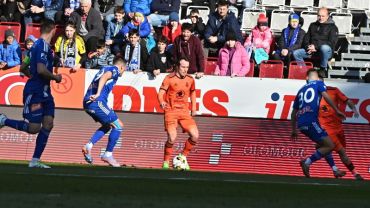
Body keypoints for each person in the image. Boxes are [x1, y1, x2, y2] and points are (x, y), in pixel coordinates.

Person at [0, 20, 62, 168]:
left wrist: (33, 76)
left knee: (48, 124)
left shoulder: (38, 47)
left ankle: (35, 160)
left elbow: (23, 66)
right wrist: (55, 77)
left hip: (45, 92)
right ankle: (3, 120)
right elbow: (40, 69)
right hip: (35, 92)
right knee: (34, 128)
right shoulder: (40, 46)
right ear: (53, 30)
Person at [291, 69, 346, 178]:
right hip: (311, 121)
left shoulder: (300, 90)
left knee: (322, 145)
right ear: (317, 77)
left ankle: (335, 170)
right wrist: (337, 110)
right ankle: (306, 162)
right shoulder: (319, 83)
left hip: (301, 123)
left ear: (307, 78)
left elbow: (293, 113)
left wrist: (293, 130)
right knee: (330, 145)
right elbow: (326, 96)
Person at [82, 57, 126, 167]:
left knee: (107, 126)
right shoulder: (115, 70)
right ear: (121, 67)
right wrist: (97, 94)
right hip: (96, 102)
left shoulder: (104, 67)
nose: (124, 72)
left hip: (87, 103)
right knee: (118, 125)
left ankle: (89, 146)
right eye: (124, 69)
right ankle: (108, 154)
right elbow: (105, 77)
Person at [157, 57, 199, 170]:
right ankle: (166, 161)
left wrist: (194, 108)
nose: (185, 69)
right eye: (183, 67)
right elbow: (161, 92)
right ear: (177, 66)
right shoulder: (169, 78)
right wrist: (161, 102)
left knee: (195, 135)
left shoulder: (190, 79)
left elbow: (193, 93)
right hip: (171, 111)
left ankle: (183, 157)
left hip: (184, 112)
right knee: (172, 137)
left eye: (187, 67)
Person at [318, 76, 363, 180]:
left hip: (338, 127)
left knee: (342, 153)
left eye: (319, 82)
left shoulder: (333, 90)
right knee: (340, 151)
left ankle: (336, 170)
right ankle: (355, 174)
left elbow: (347, 100)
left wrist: (354, 109)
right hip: (326, 128)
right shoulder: (313, 95)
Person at [293, 7, 339, 75]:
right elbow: (306, 39)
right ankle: (304, 71)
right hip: (312, 50)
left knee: (324, 48)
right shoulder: (312, 25)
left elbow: (331, 42)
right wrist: (308, 47)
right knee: (296, 53)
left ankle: (323, 69)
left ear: (328, 16)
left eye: (323, 16)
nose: (321, 18)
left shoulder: (333, 27)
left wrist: (316, 47)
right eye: (319, 16)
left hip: (325, 52)